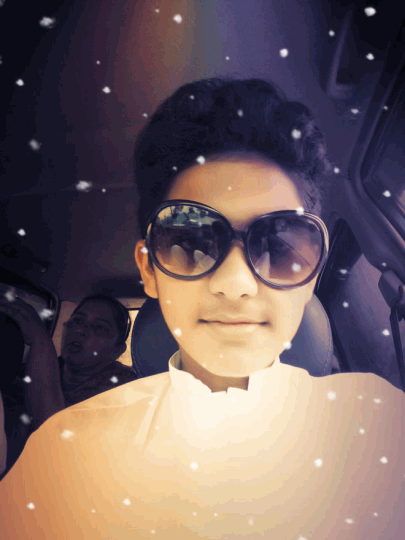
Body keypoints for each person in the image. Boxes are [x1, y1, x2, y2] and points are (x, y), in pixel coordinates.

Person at [0, 77, 404, 539]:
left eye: (278, 244)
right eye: (191, 242)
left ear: (312, 271)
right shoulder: (63, 457)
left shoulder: (385, 429)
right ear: (149, 270)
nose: (235, 283)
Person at [0, 293, 136, 450]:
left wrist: (40, 341)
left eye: (99, 327)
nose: (80, 330)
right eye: (77, 320)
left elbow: (58, 441)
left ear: (117, 350)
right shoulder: (31, 370)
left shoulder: (125, 392)